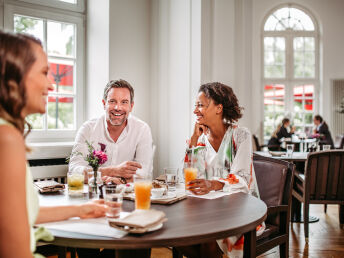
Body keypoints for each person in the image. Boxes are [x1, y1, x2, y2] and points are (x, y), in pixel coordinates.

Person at [0, 31, 106, 258]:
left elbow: (23, 215)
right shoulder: (6, 138)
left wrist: (81, 209)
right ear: (15, 76)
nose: (51, 84)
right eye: (44, 72)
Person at [179, 82, 264, 258]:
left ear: (219, 108)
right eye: (196, 105)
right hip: (206, 210)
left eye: (201, 105)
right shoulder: (201, 139)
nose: (195, 111)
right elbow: (188, 178)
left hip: (241, 211)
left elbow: (241, 178)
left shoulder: (240, 135)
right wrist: (193, 141)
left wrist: (213, 184)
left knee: (207, 236)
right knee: (177, 234)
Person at [69, 79, 153, 184]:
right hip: (93, 193)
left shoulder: (142, 129)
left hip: (127, 194)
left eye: (124, 102)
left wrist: (119, 180)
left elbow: (144, 173)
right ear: (104, 104)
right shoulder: (88, 129)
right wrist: (113, 170)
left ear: (131, 106)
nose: (118, 108)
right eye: (112, 101)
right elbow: (74, 172)